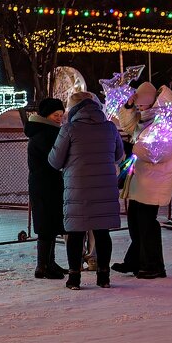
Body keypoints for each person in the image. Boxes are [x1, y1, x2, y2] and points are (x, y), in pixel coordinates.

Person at [48, 91, 125, 290]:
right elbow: (118, 156)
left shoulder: (69, 129)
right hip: (105, 187)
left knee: (75, 233)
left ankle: (74, 278)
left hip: (78, 188)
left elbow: (55, 161)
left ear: (74, 109)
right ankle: (104, 276)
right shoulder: (110, 127)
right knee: (102, 232)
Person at [115, 86, 172, 279]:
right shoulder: (146, 118)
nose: (139, 106)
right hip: (143, 178)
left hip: (154, 180)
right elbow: (129, 126)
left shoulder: (167, 123)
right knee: (136, 221)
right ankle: (136, 260)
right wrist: (127, 107)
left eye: (141, 102)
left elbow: (159, 153)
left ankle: (153, 265)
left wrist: (132, 148)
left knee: (146, 223)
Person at [25, 97, 67, 279]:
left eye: (61, 115)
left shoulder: (43, 131)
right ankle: (43, 265)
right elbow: (55, 159)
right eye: (55, 115)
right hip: (46, 183)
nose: (59, 118)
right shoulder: (46, 134)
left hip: (43, 183)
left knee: (48, 224)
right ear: (46, 115)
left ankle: (48, 262)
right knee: (47, 225)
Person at [116, 82, 157, 157]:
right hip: (139, 155)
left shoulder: (158, 117)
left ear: (150, 103)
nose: (140, 108)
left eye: (141, 105)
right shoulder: (140, 117)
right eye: (138, 106)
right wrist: (129, 106)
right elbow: (127, 126)